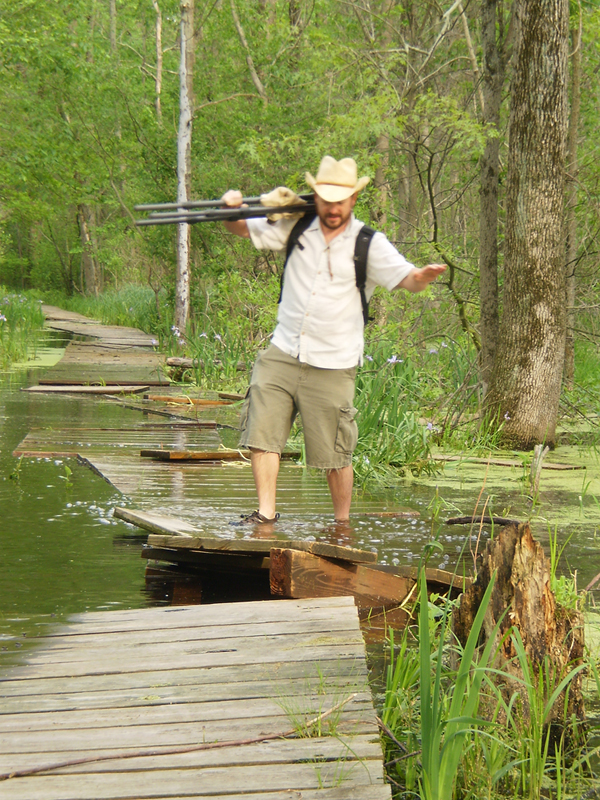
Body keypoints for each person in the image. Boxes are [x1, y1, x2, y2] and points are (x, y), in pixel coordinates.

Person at [222, 155, 445, 525]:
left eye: (341, 200)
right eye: (326, 200)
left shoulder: (368, 244)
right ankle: (265, 514)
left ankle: (342, 523)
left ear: (353, 200)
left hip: (334, 361)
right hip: (284, 349)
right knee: (263, 432)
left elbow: (408, 279)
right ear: (316, 197)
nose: (333, 208)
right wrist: (230, 210)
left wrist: (422, 275)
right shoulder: (295, 226)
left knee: (335, 454)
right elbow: (241, 228)